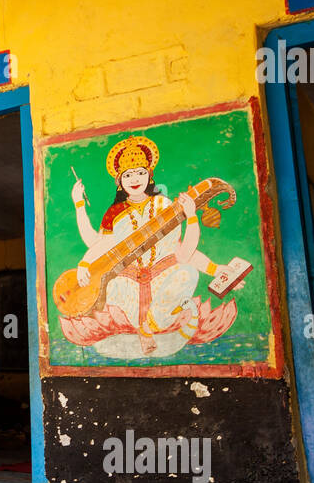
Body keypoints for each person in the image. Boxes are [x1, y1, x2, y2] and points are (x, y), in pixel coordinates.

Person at [63, 136, 235, 357]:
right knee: (109, 291)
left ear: (149, 175)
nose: (135, 179)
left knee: (187, 272)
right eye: (128, 174)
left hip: (161, 285)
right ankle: (143, 326)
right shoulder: (114, 213)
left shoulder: (163, 205)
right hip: (126, 287)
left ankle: (148, 328)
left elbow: (181, 252)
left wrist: (212, 265)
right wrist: (79, 208)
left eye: (140, 172)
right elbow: (99, 244)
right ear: (119, 181)